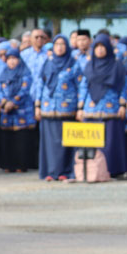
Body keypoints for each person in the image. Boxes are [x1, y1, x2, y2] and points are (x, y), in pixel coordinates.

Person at [77, 34, 127, 178]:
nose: (100, 50)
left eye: (103, 47)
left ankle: (112, 170)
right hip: (91, 108)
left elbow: (124, 86)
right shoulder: (89, 65)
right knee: (91, 140)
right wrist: (80, 107)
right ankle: (91, 170)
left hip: (111, 107)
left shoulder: (117, 65)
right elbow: (84, 86)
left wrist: (122, 104)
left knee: (110, 141)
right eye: (97, 47)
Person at [36, 34, 82, 181]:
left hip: (67, 108)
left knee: (65, 142)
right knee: (50, 143)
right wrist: (37, 105)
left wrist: (80, 107)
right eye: (57, 44)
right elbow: (40, 84)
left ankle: (65, 171)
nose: (60, 47)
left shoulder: (73, 64)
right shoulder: (48, 63)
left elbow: (81, 86)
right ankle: (50, 171)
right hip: (48, 108)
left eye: (62, 44)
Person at [0, 47, 37, 172]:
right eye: (9, 59)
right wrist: (4, 101)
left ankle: (21, 165)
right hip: (6, 110)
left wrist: (13, 102)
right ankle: (8, 165)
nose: (12, 61)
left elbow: (25, 89)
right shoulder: (3, 73)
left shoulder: (25, 73)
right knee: (7, 138)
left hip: (22, 109)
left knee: (21, 139)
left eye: (14, 58)